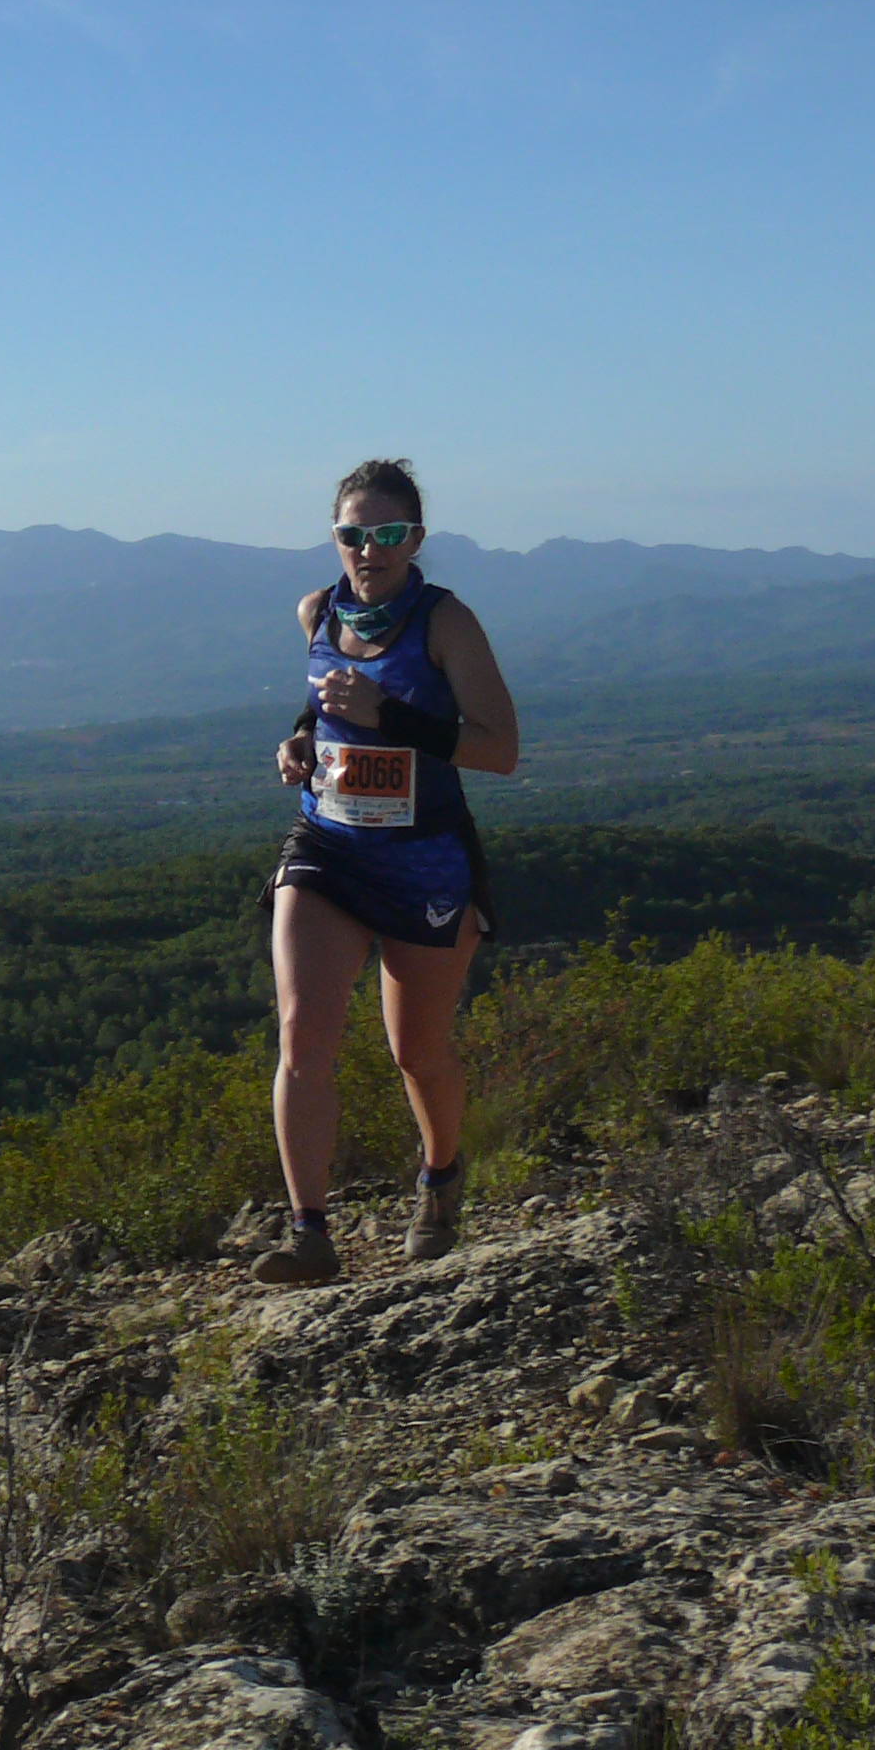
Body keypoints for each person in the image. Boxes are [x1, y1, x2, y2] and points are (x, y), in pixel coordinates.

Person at [252, 460, 520, 1287]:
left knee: (417, 1052)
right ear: (335, 538)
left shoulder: (446, 623)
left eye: (387, 534)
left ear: (416, 539)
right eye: (352, 534)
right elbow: (324, 702)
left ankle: (440, 1179)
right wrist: (302, 741)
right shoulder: (316, 611)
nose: (368, 550)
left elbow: (500, 750)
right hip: (328, 845)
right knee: (303, 1035)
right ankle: (309, 1233)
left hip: (423, 858)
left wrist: (390, 717)